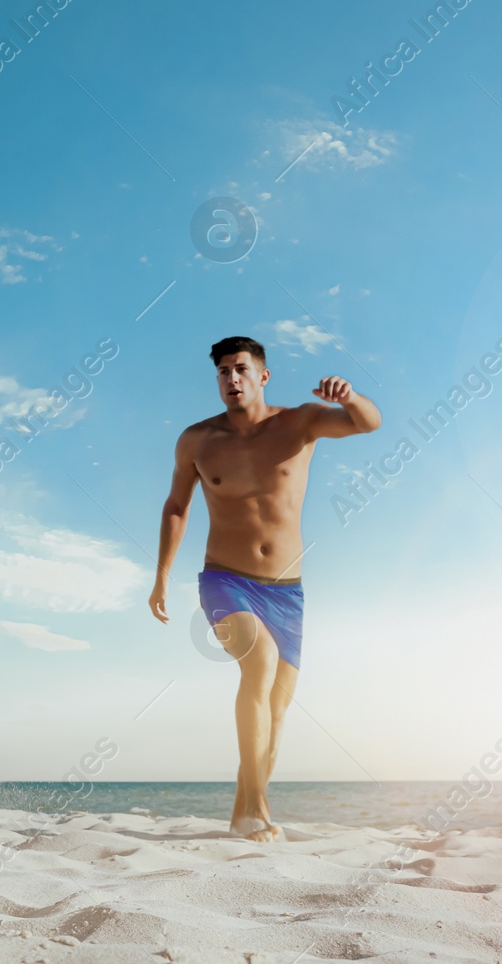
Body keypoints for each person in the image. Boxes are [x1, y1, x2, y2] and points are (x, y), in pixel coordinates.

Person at [148, 337, 380, 842]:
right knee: (259, 662)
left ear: (263, 376)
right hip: (225, 581)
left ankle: (240, 816)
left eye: (241, 369)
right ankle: (257, 808)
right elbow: (176, 506)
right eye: (223, 372)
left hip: (287, 592)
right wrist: (163, 572)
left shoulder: (300, 423)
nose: (231, 379)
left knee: (275, 714)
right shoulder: (197, 440)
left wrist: (350, 397)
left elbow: (368, 423)